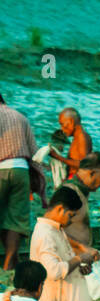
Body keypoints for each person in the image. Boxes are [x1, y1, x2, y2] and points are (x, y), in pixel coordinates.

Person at [0, 94, 37, 269]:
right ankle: (8, 264)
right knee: (15, 220)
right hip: (20, 169)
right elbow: (34, 153)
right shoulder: (21, 117)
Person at [58, 151, 100, 249]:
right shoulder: (70, 192)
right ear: (91, 173)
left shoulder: (80, 191)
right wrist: (81, 248)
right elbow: (52, 229)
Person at [47, 108, 92, 185]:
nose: (61, 128)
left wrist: (57, 156)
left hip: (77, 181)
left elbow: (83, 164)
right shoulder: (77, 137)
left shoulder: (82, 138)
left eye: (62, 124)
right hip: (72, 179)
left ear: (71, 122)